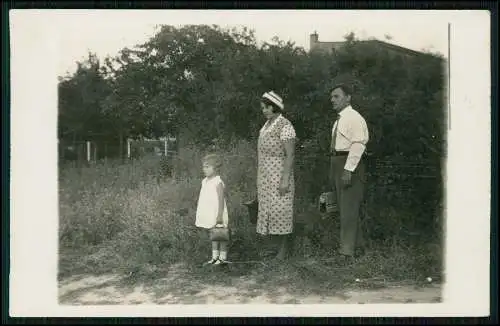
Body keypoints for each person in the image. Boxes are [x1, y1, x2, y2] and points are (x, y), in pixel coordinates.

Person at [328, 83, 369, 259]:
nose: (332, 100)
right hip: (337, 161)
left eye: (336, 96)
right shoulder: (340, 119)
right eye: (331, 97)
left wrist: (348, 169)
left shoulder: (353, 117)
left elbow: (359, 144)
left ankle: (346, 253)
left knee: (349, 209)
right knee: (345, 208)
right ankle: (358, 248)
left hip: (348, 163)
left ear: (348, 97)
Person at [256, 91, 296, 260]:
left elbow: (290, 154)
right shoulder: (266, 126)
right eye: (263, 108)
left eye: (266, 107)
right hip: (265, 176)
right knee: (268, 211)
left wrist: (285, 180)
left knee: (281, 211)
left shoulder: (285, 125)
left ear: (274, 106)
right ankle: (273, 247)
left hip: (280, 174)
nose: (264, 110)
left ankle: (284, 250)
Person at [195, 154, 230, 265]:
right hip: (210, 212)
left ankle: (222, 258)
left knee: (221, 235)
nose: (204, 169)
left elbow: (221, 200)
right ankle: (215, 257)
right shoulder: (204, 181)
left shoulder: (218, 182)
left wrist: (219, 215)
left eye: (207, 167)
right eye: (204, 167)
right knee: (214, 234)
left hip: (217, 212)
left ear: (215, 168)